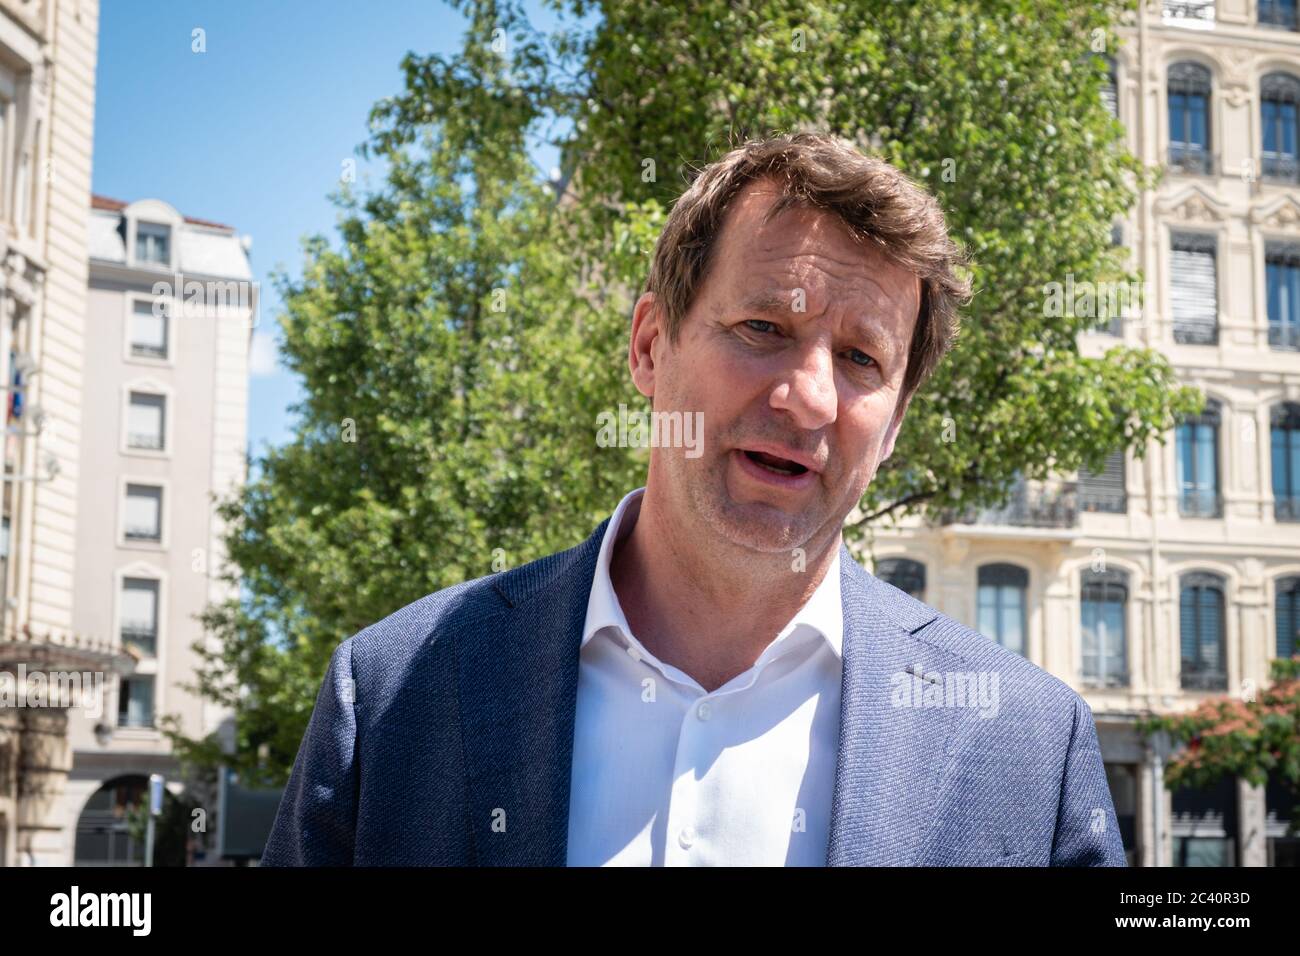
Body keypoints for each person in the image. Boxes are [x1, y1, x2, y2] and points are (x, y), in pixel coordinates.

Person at [261, 132, 1126, 866]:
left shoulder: (1029, 750)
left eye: (862, 360)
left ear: (895, 424)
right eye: (763, 329)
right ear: (648, 347)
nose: (809, 398)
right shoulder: (390, 699)